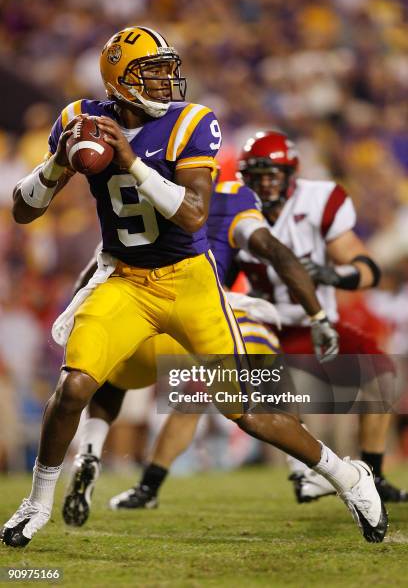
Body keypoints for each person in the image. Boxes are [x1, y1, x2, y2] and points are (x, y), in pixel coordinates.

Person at [1, 27, 386, 548]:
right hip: (124, 279)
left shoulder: (191, 122)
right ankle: (36, 502)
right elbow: (24, 212)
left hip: (189, 280)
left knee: (248, 411)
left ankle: (350, 478)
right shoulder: (78, 119)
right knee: (73, 389)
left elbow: (193, 215)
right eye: (151, 72)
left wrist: (130, 162)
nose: (166, 81)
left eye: (167, 69)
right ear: (119, 79)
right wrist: (54, 164)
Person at [61, 175, 385, 543]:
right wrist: (318, 316)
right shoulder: (230, 200)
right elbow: (277, 252)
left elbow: (99, 264)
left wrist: (75, 315)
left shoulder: (137, 188)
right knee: (254, 391)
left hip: (139, 311)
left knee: (130, 384)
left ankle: (100, 458)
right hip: (206, 314)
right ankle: (309, 471)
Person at [104, 131, 405, 512]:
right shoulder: (229, 206)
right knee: (196, 391)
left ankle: (372, 476)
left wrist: (333, 276)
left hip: (313, 324)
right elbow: (214, 274)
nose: (264, 183)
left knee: (379, 373)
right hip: (260, 322)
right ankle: (149, 486)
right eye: (256, 175)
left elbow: (367, 269)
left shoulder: (319, 199)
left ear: (290, 173)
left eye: (272, 175)